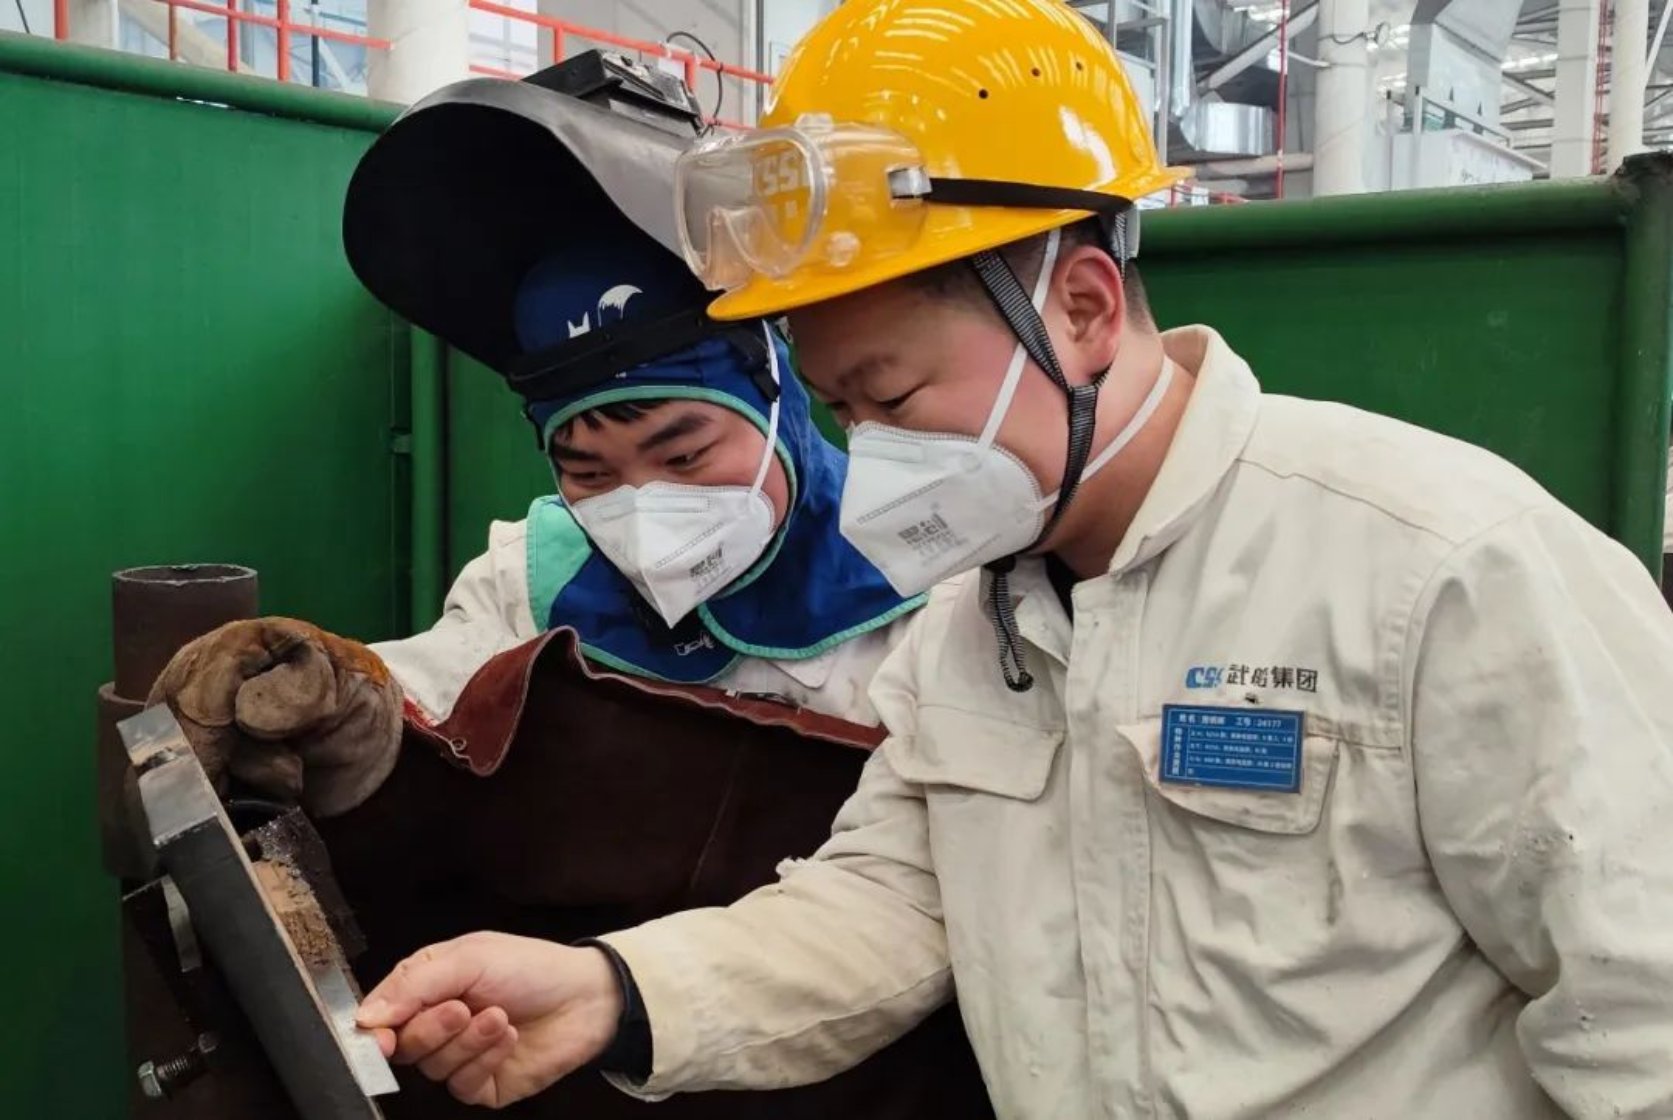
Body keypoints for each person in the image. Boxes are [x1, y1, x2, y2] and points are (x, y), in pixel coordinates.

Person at [357, 2, 1673, 1117]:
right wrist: (613, 992)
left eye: (893, 396)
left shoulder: (1436, 568)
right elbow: (891, 903)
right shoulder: (972, 622)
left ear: (1083, 308)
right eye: (843, 414)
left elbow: (1641, 1015)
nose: (874, 460)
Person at [147, 53, 991, 1120]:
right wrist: (339, 694)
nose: (642, 504)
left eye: (685, 454)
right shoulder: (533, 573)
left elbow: (913, 915)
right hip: (577, 1056)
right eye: (587, 470)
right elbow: (434, 703)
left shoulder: (938, 587)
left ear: (783, 395)